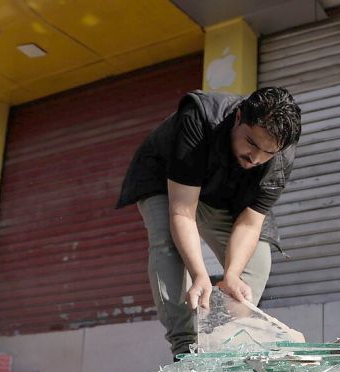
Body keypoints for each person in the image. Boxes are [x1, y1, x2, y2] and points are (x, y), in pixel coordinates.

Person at [117, 87, 301, 356]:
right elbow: (182, 211)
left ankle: (223, 345)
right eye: (251, 142)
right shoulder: (199, 119)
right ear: (238, 117)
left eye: (267, 152)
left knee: (258, 259)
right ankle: (184, 347)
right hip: (166, 180)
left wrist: (232, 275)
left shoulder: (280, 157)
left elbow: (250, 223)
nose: (256, 158)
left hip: (226, 192)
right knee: (167, 243)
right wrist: (200, 274)